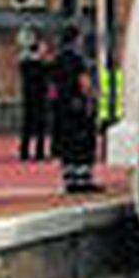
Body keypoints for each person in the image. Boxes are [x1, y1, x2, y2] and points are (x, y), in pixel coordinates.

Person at [51, 25, 101, 193]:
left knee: (67, 142)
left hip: (62, 107)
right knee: (83, 141)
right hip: (77, 105)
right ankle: (83, 179)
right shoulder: (78, 59)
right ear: (76, 39)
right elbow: (84, 82)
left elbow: (53, 86)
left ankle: (70, 179)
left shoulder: (57, 59)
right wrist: (93, 96)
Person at [17, 32, 52, 161]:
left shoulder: (25, 62)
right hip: (38, 96)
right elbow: (48, 69)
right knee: (39, 125)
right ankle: (38, 152)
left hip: (29, 96)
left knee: (28, 125)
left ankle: (25, 152)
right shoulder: (37, 63)